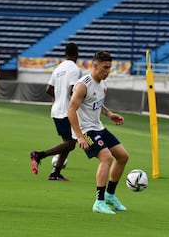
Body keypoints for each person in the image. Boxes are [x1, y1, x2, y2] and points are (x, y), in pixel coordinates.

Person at [67, 51, 129, 214]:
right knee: (106, 157)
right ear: (95, 66)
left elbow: (97, 103)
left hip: (98, 127)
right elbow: (71, 110)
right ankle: (99, 202)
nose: (108, 71)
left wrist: (109, 114)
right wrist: (79, 136)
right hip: (86, 130)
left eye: (110, 68)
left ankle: (109, 196)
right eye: (105, 67)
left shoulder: (102, 84)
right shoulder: (82, 85)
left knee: (123, 156)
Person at [30, 42, 82, 181]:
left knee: (68, 142)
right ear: (77, 54)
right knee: (70, 143)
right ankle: (39, 155)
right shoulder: (75, 70)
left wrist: (58, 98)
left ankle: (55, 173)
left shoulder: (58, 68)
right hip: (67, 111)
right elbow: (73, 90)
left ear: (65, 53)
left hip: (56, 110)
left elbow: (48, 89)